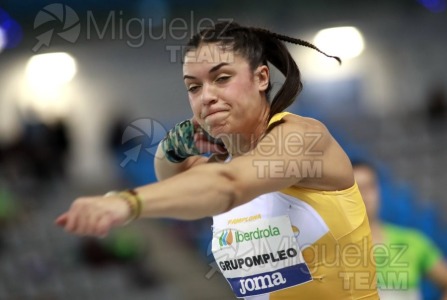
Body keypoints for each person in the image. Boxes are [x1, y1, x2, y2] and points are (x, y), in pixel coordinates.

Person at [56, 21, 379, 299]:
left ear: (261, 77)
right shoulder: (218, 167)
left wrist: (127, 203)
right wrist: (175, 144)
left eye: (222, 78)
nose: (206, 95)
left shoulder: (302, 137)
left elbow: (230, 184)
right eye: (194, 87)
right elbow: (174, 180)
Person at [353, 160, 447, 300]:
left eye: (369, 186)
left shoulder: (412, 241)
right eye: (355, 189)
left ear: (379, 190)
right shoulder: (330, 247)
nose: (364, 195)